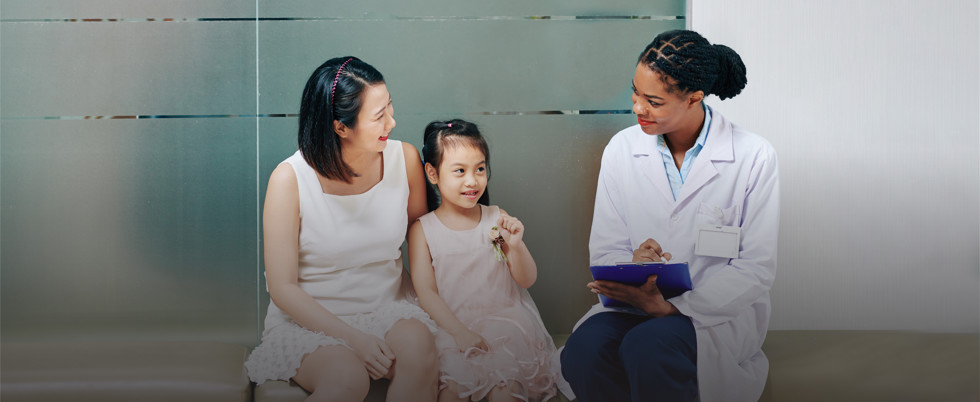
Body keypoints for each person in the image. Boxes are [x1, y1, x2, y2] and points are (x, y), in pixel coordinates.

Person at [560, 30, 780, 402]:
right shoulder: (622, 150)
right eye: (635, 92)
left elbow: (756, 267)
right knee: (584, 350)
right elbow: (606, 248)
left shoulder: (753, 156)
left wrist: (671, 307)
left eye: (653, 101)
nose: (637, 108)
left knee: (649, 347)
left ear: (693, 98)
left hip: (712, 314)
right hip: (633, 305)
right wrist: (633, 265)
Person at [244, 56, 439, 402]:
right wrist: (354, 339)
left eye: (390, 107)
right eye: (379, 116)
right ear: (341, 127)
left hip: (388, 308)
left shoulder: (404, 159)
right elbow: (282, 288)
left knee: (420, 349)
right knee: (347, 379)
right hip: (309, 321)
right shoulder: (289, 180)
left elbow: (424, 240)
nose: (392, 122)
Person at [408, 119, 560, 402]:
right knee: (453, 390)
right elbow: (426, 292)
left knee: (505, 388)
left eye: (479, 169)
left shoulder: (494, 219)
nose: (472, 180)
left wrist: (515, 247)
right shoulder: (423, 230)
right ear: (432, 173)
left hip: (505, 325)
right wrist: (460, 333)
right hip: (451, 327)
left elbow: (526, 279)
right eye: (459, 171)